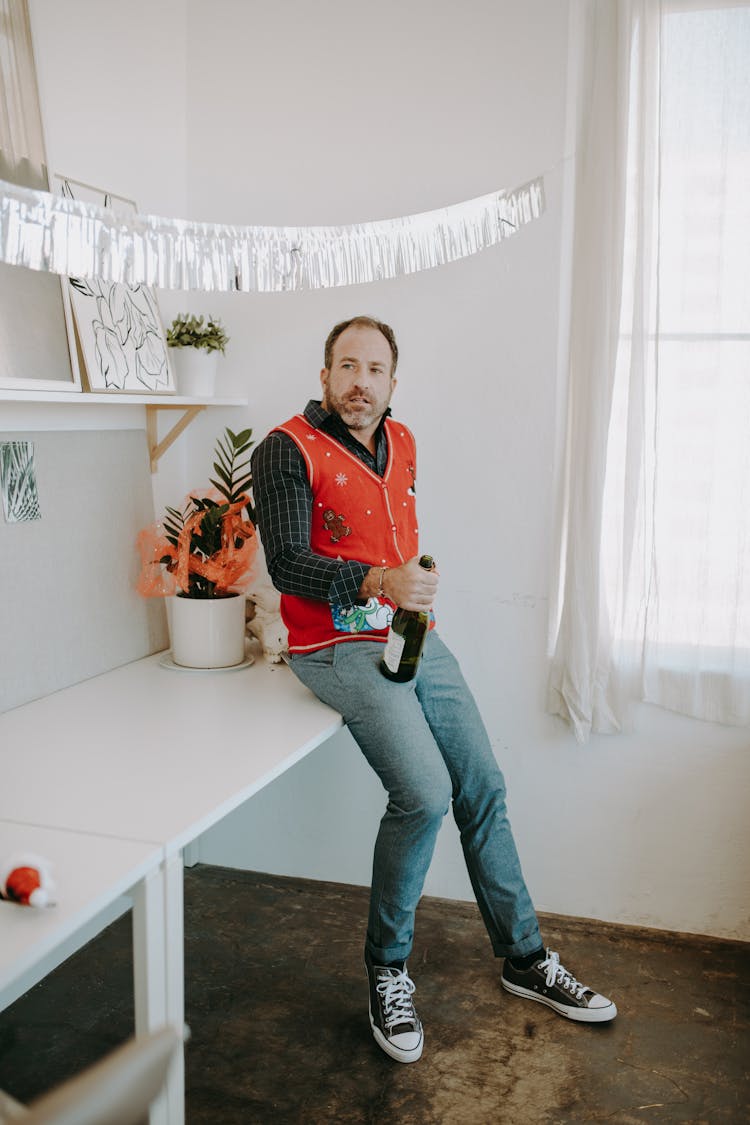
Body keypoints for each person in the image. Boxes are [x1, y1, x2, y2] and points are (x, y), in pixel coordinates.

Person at [251, 315, 616, 1064]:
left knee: (481, 781)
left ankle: (525, 956)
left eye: (375, 368)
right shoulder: (284, 448)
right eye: (346, 365)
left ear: (392, 380)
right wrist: (379, 579)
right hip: (333, 641)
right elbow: (287, 563)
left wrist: (405, 583)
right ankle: (387, 969)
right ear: (323, 376)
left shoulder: (404, 440)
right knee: (423, 792)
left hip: (409, 629)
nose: (360, 380)